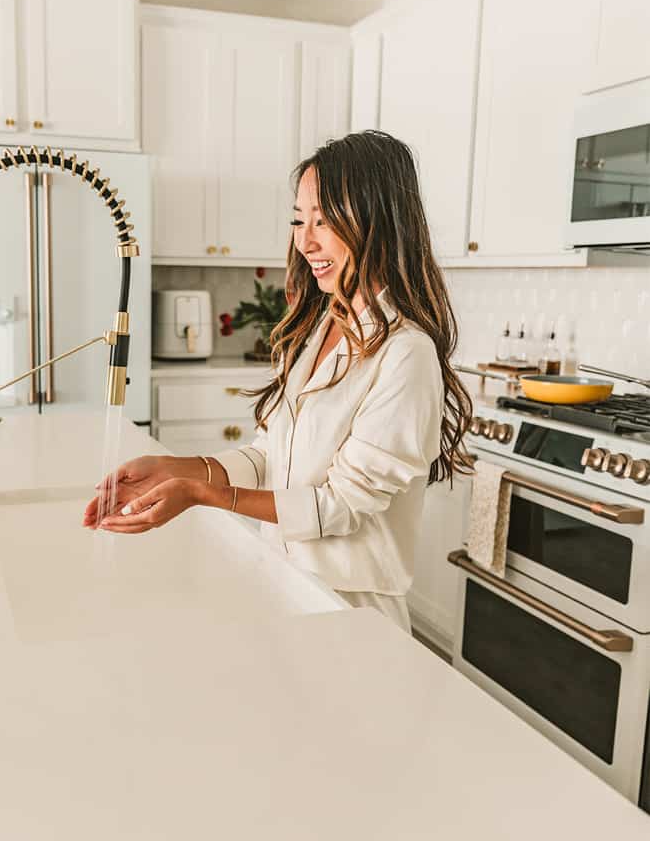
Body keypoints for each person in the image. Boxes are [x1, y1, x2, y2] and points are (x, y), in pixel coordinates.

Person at [83, 130, 473, 632]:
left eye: (325, 221)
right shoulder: (318, 330)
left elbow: (344, 505)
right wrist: (174, 468)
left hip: (350, 615)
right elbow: (271, 458)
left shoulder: (406, 354)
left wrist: (203, 496)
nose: (305, 240)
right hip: (282, 587)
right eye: (298, 220)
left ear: (378, 221)